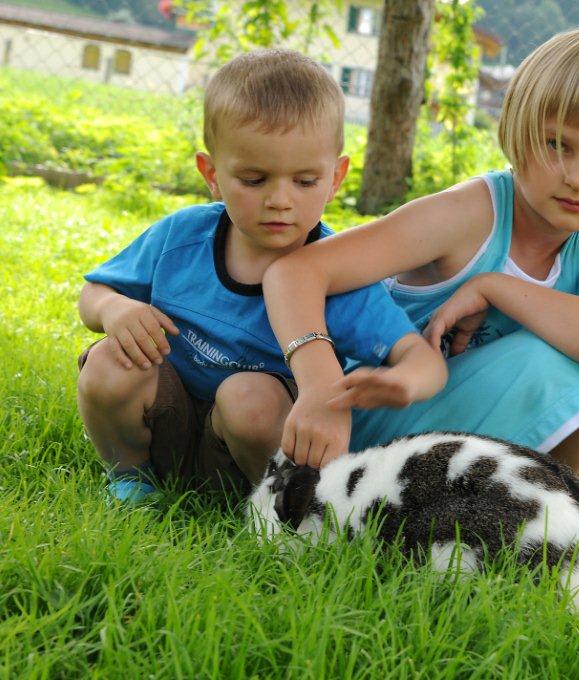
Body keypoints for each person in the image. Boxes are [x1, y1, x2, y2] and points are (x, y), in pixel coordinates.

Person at [264, 28, 579, 481]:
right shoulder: (471, 214)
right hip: (364, 428)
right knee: (548, 358)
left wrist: (494, 287)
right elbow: (295, 272)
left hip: (459, 446)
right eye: (557, 145)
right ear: (518, 131)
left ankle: (546, 510)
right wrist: (319, 388)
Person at [76, 49, 446, 504]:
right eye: (254, 180)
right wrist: (114, 308)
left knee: (248, 396)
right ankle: (132, 478)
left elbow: (425, 363)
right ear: (212, 174)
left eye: (305, 181)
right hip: (163, 424)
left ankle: (277, 511)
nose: (280, 200)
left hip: (256, 455)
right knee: (109, 361)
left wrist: (404, 381)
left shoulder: (337, 269)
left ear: (336, 177)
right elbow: (93, 294)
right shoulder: (182, 237)